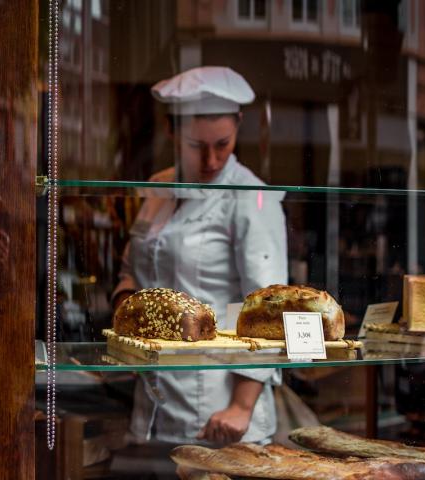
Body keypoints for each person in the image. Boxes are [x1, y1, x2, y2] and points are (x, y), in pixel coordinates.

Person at [112, 66, 288, 453]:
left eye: (222, 144)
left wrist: (241, 407)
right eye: (196, 145)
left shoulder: (252, 197)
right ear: (171, 131)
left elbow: (268, 312)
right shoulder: (159, 187)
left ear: (239, 126)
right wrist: (125, 312)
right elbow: (132, 269)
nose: (211, 159)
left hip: (220, 417)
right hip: (153, 410)